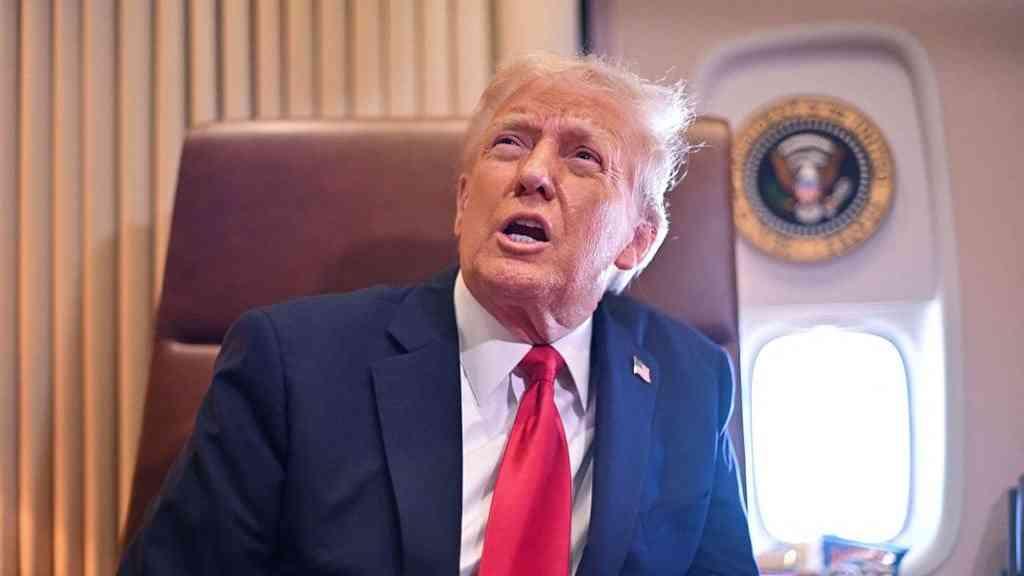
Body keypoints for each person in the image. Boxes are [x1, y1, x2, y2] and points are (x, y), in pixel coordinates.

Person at [119, 53, 758, 575]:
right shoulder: (291, 364)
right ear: (462, 202)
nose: (533, 173)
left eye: (583, 156)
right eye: (509, 143)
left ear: (636, 241)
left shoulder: (690, 380)